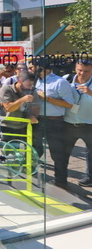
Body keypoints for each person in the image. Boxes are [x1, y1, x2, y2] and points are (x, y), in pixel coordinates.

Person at [28, 57, 75, 189]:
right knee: (34, 149)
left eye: (32, 67)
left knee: (57, 153)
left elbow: (69, 104)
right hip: (37, 120)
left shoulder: (60, 82)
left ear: (42, 68)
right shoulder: (36, 81)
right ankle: (30, 172)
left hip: (54, 122)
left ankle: (60, 182)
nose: (30, 70)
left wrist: (47, 98)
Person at [63, 59, 92, 187]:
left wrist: (90, 93)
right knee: (63, 152)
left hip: (89, 124)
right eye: (80, 70)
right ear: (75, 68)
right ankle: (61, 178)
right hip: (68, 123)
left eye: (86, 71)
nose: (82, 73)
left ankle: (90, 178)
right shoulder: (66, 79)